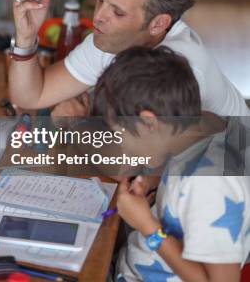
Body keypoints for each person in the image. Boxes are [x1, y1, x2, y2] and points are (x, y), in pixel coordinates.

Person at [9, 0, 249, 117]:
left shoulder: (180, 65)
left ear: (158, 23)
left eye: (118, 12)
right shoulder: (113, 38)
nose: (98, 18)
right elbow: (31, 96)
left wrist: (77, 126)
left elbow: (138, 165)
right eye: (101, 1)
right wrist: (26, 37)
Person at [89, 46, 249, 281]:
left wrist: (147, 226)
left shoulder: (209, 184)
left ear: (148, 122)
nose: (124, 148)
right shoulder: (196, 134)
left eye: (119, 135)